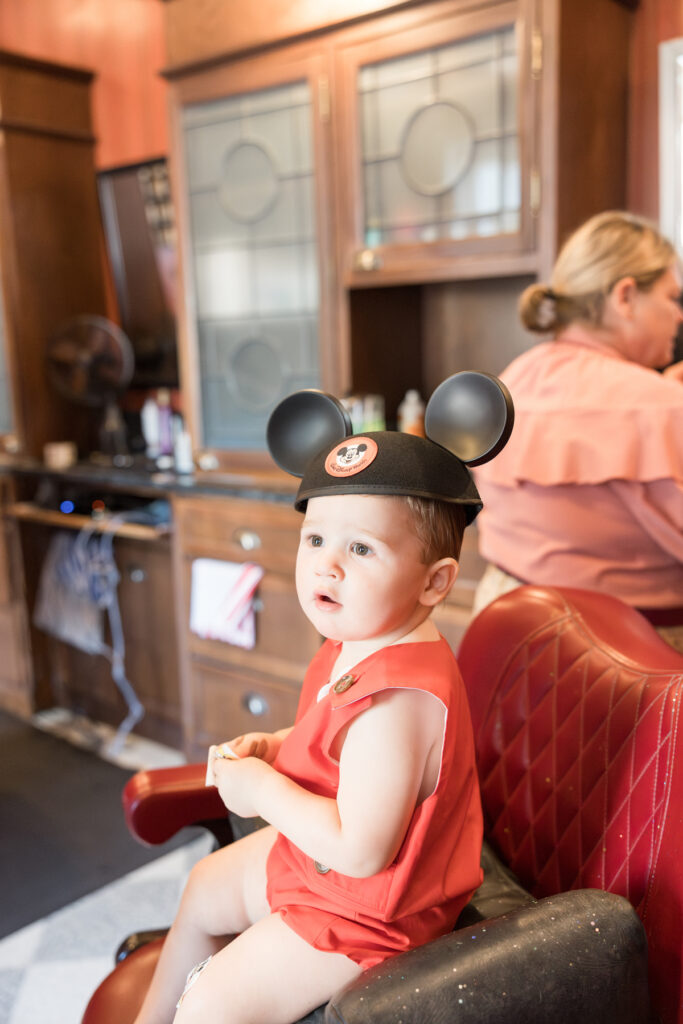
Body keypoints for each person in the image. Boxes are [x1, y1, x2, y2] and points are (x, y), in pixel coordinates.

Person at [132, 374, 513, 1024]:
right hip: (324, 869)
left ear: (434, 582)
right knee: (203, 888)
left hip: (371, 910)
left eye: (360, 549)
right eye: (315, 540)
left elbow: (362, 850)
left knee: (211, 1005)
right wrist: (279, 747)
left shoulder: (397, 701)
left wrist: (260, 791)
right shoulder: (354, 642)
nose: (325, 566)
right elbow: (336, 744)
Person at [472, 210, 683, 652]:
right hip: (625, 662)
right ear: (625, 296)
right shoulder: (658, 406)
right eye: (673, 298)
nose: (679, 317)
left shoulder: (513, 378)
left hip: (503, 642)